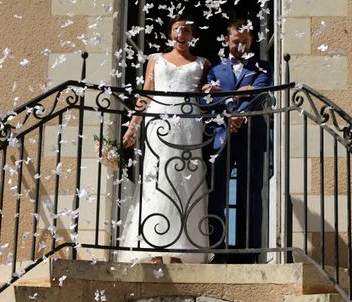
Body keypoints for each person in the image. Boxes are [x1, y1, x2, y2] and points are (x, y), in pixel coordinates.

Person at [116, 13, 212, 264]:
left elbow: (203, 103)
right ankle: (155, 250)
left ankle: (180, 251)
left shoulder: (203, 63)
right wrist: (132, 127)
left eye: (188, 30)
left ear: (193, 35)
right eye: (178, 29)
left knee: (185, 182)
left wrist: (210, 94)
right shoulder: (155, 60)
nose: (182, 34)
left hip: (189, 125)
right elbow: (146, 94)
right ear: (171, 34)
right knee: (156, 178)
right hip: (159, 122)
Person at [202, 19, 272, 263]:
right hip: (221, 138)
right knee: (217, 193)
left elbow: (259, 92)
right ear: (226, 40)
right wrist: (234, 107)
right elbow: (206, 102)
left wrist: (236, 110)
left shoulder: (262, 67)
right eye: (235, 41)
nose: (240, 46)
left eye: (245, 41)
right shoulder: (214, 71)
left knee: (251, 194)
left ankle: (249, 253)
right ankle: (217, 250)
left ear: (251, 41)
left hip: (252, 137)